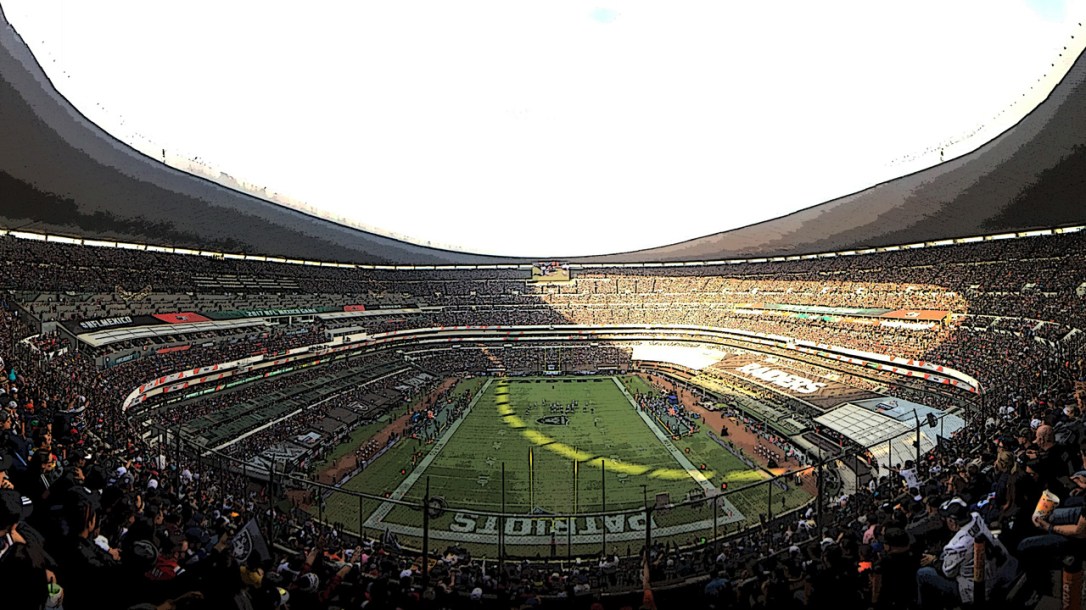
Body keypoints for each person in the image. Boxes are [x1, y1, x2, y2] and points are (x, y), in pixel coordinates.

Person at [915, 498, 1017, 609]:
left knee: (923, 573)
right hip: (1004, 570)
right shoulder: (976, 517)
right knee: (944, 557)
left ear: (952, 522)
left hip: (981, 591)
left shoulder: (956, 545)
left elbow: (948, 573)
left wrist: (933, 560)